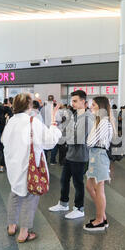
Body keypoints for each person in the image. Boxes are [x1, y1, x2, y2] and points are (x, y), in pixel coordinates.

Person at [2, 93, 61, 243]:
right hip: (29, 166)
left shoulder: (11, 121)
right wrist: (54, 124)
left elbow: (4, 140)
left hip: (14, 165)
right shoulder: (32, 121)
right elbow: (49, 142)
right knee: (30, 196)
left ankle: (11, 226)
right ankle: (24, 233)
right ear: (29, 105)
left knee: (15, 193)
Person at [49, 90, 94, 220]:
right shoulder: (75, 115)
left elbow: (78, 138)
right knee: (64, 180)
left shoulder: (87, 118)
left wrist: (63, 137)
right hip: (70, 155)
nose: (72, 103)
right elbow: (68, 131)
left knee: (78, 182)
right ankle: (63, 203)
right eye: (72, 101)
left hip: (80, 156)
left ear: (83, 102)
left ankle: (79, 208)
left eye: (75, 101)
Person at [84, 96, 114, 231]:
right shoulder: (99, 121)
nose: (91, 107)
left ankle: (99, 220)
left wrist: (90, 136)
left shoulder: (103, 122)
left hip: (99, 156)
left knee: (98, 188)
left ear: (101, 107)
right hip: (95, 156)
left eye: (94, 105)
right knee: (90, 186)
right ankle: (102, 216)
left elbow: (89, 142)